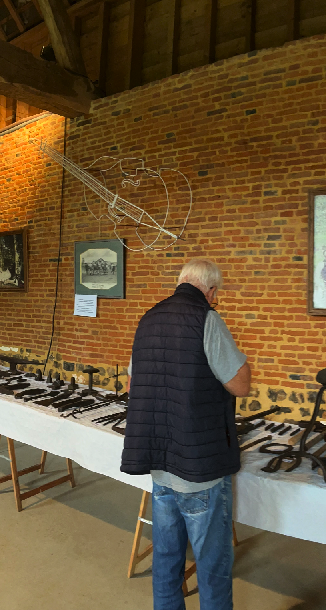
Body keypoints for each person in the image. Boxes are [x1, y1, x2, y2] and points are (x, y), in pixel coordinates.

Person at [120, 259, 252, 610]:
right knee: (212, 567)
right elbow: (240, 385)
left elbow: (133, 385)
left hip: (161, 467)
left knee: (166, 559)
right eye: (216, 295)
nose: (215, 300)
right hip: (199, 470)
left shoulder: (148, 319)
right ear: (210, 290)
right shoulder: (206, 319)